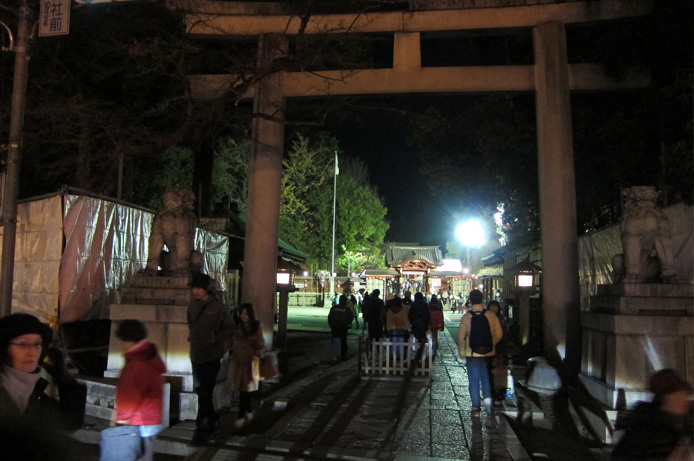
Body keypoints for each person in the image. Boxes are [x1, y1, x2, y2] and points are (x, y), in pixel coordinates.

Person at [0, 313, 86, 460]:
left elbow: (69, 423)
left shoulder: (34, 393)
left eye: (37, 344)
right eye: (23, 344)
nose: (32, 351)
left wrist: (64, 379)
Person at [103, 319, 166, 461]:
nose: (121, 345)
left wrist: (120, 420)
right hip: (149, 419)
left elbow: (130, 397)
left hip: (138, 421)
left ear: (128, 341)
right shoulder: (148, 357)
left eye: (122, 341)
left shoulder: (137, 364)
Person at [187, 273, 235, 446]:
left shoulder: (218, 307)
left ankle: (201, 430)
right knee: (202, 393)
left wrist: (213, 337)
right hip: (196, 355)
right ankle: (213, 422)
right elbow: (191, 325)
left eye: (198, 288)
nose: (195, 292)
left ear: (206, 289)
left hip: (212, 356)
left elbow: (230, 329)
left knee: (205, 392)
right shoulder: (192, 306)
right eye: (194, 288)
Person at [612, 368, 693, 460]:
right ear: (667, 397)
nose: (685, 399)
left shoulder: (659, 423)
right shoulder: (655, 430)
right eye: (681, 393)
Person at [457, 289, 502, 425]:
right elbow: (499, 334)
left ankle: (476, 408)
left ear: (470, 300)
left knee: (474, 380)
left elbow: (461, 337)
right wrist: (491, 344)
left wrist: (462, 351)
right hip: (488, 353)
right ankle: (488, 402)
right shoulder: (490, 315)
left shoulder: (467, 317)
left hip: (472, 353)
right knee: (486, 377)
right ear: (483, 299)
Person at [227, 303, 265, 429]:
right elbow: (232, 341)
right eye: (242, 313)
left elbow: (260, 343)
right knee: (243, 390)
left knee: (244, 390)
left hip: (249, 362)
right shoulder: (237, 326)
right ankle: (248, 411)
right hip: (238, 362)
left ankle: (240, 416)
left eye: (246, 313)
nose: (243, 316)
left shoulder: (256, 326)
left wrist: (253, 348)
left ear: (250, 314)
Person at [486, 300, 510, 405]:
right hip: (490, 350)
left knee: (499, 373)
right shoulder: (487, 318)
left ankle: (499, 395)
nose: (493, 309)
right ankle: (493, 394)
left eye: (495, 307)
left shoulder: (500, 319)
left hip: (499, 350)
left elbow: (503, 336)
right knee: (490, 372)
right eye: (491, 307)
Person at [328, 295, 354, 361]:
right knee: (343, 342)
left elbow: (330, 317)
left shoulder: (334, 308)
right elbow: (351, 317)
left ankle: (334, 355)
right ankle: (343, 356)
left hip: (335, 326)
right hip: (343, 327)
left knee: (335, 341)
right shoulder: (347, 309)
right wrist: (348, 323)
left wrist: (331, 325)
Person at [385, 296, 410, 360]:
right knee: (400, 345)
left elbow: (388, 320)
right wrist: (409, 329)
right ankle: (399, 358)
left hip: (392, 330)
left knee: (392, 345)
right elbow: (406, 320)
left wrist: (388, 328)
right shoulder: (403, 310)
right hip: (401, 330)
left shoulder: (389, 310)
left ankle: (392, 357)